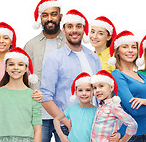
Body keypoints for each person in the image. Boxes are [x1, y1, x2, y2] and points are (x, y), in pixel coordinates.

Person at [40, 9, 101, 142]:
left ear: (84, 30)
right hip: (68, 127)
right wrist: (66, 121)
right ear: (64, 29)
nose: (74, 30)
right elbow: (45, 96)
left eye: (78, 26)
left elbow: (101, 92)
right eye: (70, 26)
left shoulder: (93, 57)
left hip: (94, 126)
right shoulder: (54, 59)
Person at [108, 30, 146, 142]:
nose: (130, 50)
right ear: (117, 52)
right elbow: (134, 109)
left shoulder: (142, 75)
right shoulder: (116, 75)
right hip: (129, 136)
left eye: (133, 47)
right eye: (125, 47)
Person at [23, 0, 66, 142]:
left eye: (53, 14)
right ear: (40, 18)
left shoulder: (70, 42)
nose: (49, 19)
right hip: (39, 113)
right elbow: (23, 79)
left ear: (60, 16)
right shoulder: (31, 45)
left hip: (65, 112)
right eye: (45, 15)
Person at [0, 46, 43, 142]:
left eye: (20, 64)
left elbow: (37, 129)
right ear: (6, 68)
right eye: (11, 64)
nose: (15, 67)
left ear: (26, 68)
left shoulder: (33, 95)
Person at [90, 70, 138, 142]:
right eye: (95, 88)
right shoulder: (101, 106)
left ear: (111, 88)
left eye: (101, 86)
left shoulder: (113, 106)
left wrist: (123, 140)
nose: (97, 90)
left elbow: (132, 124)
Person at [55, 73, 97, 142]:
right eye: (80, 90)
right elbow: (56, 119)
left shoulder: (97, 111)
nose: (84, 93)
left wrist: (117, 135)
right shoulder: (71, 108)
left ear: (93, 92)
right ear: (76, 92)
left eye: (87, 90)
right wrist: (61, 136)